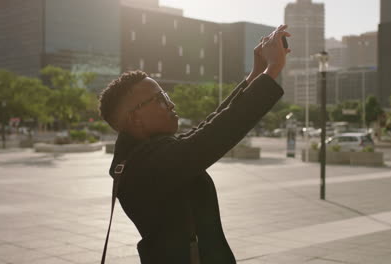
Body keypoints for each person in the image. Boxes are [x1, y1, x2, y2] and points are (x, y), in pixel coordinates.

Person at [98, 25, 291, 264]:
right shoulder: (147, 164)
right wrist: (272, 71)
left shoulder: (145, 153)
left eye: (166, 96)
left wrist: (256, 74)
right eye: (160, 99)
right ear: (135, 117)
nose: (171, 104)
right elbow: (213, 135)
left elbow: (208, 126)